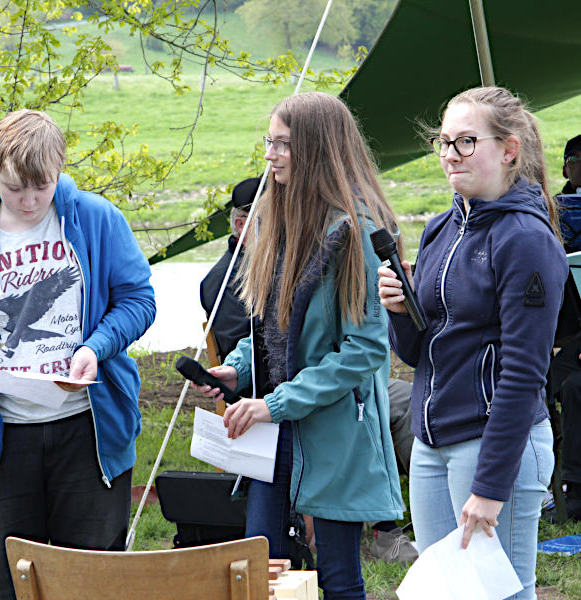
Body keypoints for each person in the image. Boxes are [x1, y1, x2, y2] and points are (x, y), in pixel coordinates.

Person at [0, 109, 155, 599]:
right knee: (6, 583)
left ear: (60, 167)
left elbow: (138, 300)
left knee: (92, 584)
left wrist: (97, 346)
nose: (29, 201)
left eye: (42, 187)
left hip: (89, 432)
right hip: (3, 437)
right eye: (13, 188)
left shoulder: (96, 219)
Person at [196, 91, 404, 599]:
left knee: (337, 579)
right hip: (275, 429)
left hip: (335, 430)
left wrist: (275, 403)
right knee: (263, 573)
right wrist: (239, 370)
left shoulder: (356, 231)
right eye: (269, 141)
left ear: (316, 148)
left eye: (282, 144)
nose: (270, 154)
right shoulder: (276, 221)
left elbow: (364, 352)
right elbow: (270, 333)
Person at [379, 87, 566, 600]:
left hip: (492, 447)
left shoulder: (525, 239)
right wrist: (400, 312)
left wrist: (489, 486)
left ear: (508, 150)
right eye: (444, 143)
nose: (450, 156)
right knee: (444, 593)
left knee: (499, 594)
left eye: (465, 142)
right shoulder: (440, 230)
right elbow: (418, 353)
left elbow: (525, 374)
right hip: (430, 446)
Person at [546, 134, 581, 520]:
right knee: (549, 378)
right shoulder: (549, 212)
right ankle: (548, 480)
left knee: (574, 388)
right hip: (571, 329)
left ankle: (575, 489)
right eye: (576, 160)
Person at [200, 176, 263, 364]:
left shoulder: (271, 264)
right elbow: (241, 354)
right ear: (242, 225)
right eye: (272, 218)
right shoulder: (225, 280)